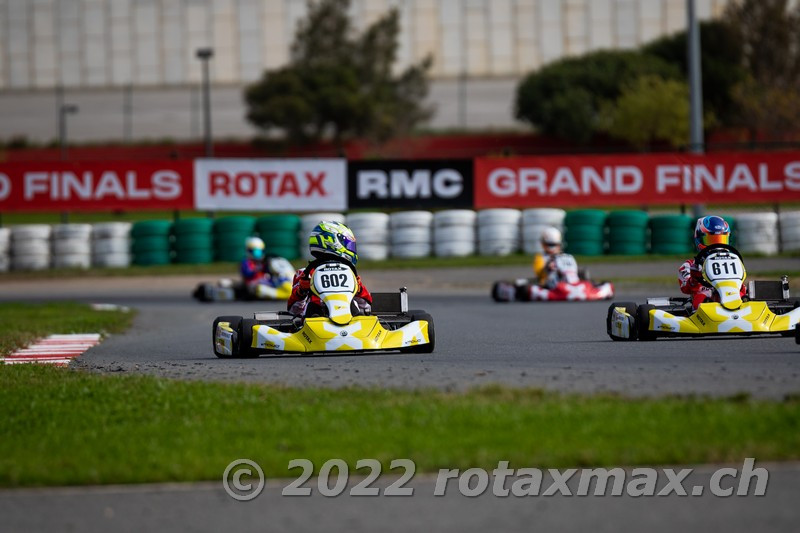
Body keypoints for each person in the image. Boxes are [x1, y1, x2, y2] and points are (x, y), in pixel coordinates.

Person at [287, 221, 372, 317]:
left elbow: (366, 307)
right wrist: (302, 291)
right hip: (316, 321)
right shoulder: (304, 274)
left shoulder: (349, 272)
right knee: (313, 307)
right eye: (348, 244)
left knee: (354, 307)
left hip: (349, 319)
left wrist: (359, 289)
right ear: (333, 242)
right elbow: (293, 310)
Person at [678, 215, 744, 310]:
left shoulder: (734, 260)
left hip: (732, 296)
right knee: (702, 297)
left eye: (721, 240)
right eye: (711, 240)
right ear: (699, 239)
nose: (717, 245)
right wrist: (694, 278)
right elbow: (686, 288)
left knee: (743, 297)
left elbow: (742, 288)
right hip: (704, 304)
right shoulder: (690, 265)